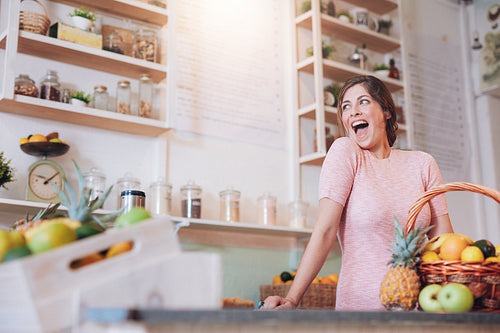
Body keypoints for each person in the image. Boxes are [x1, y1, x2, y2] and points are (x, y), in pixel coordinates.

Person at [262, 75, 453, 311]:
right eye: (345, 106)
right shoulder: (346, 152)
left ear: (386, 111)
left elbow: (444, 243)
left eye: (363, 102)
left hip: (423, 307)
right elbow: (325, 230)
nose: (353, 112)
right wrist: (292, 299)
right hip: (361, 310)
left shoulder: (423, 164)